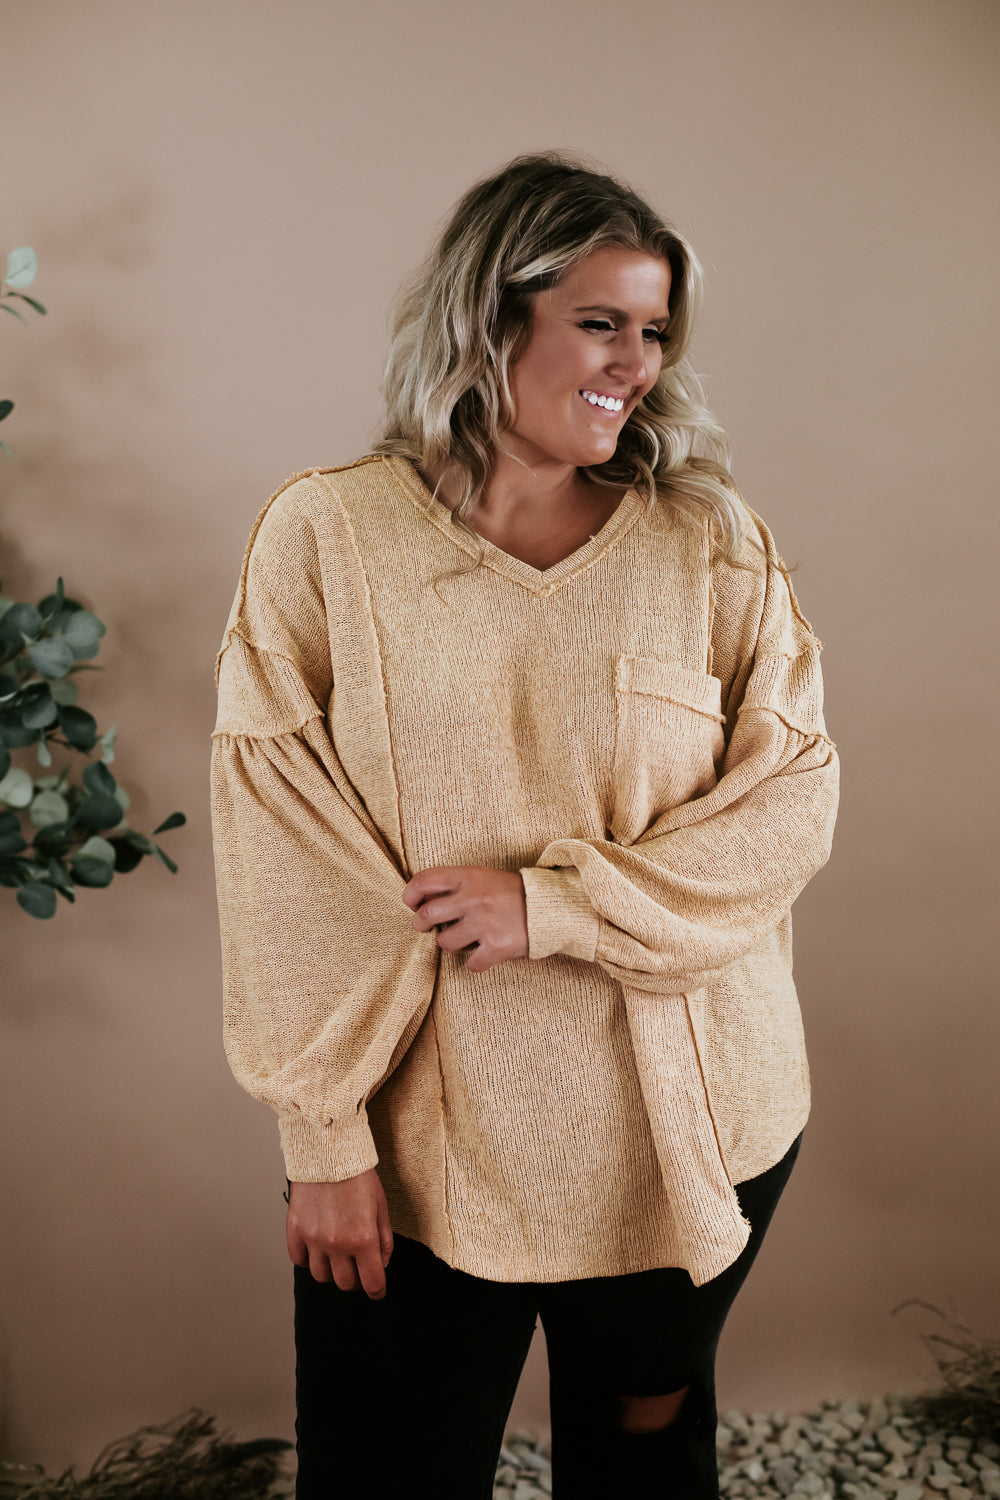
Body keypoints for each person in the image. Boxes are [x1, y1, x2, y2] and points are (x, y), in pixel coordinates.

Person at [211, 152, 839, 1500]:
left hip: (688, 1126)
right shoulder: (329, 538)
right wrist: (323, 1137)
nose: (635, 364)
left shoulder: (707, 544)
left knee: (644, 1470)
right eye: (599, 322)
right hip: (424, 1145)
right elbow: (281, 846)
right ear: (488, 319)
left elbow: (789, 802)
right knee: (386, 1476)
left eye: (654, 330)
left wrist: (554, 904)